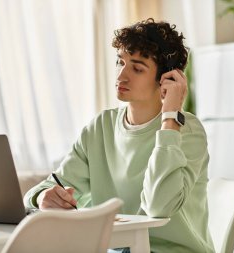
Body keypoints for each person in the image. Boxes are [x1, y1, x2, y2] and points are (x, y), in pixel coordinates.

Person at [24, 18, 214, 253]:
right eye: (120, 62)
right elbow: (49, 187)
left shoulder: (187, 130)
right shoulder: (100, 127)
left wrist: (170, 118)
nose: (121, 75)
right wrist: (43, 197)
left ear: (167, 78)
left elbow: (159, 207)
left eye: (137, 68)